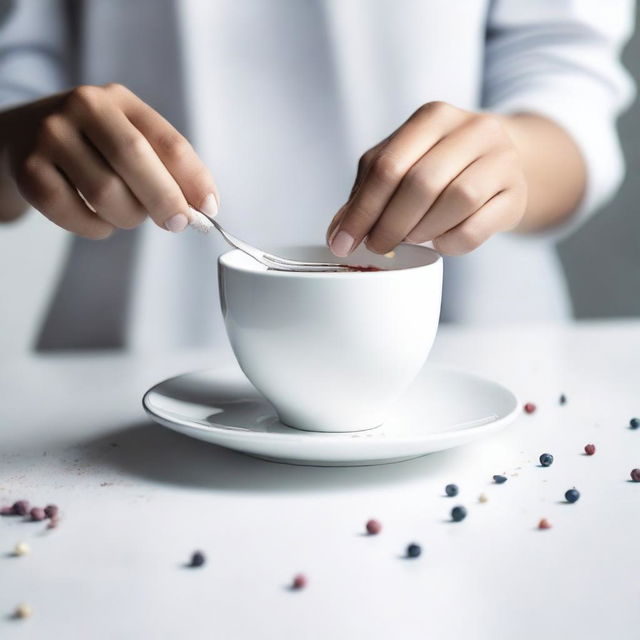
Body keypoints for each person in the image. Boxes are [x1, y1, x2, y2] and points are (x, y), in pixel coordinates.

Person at [0, 0, 634, 351]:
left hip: (477, 352)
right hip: (128, 364)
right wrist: (17, 141)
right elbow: (16, 71)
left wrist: (510, 157)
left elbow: (567, 84)